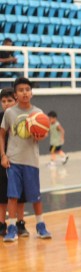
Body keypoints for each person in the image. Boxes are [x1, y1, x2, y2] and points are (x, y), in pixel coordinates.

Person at [0, 77, 53, 242]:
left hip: (31, 161)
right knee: (12, 196)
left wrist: (41, 135)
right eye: (21, 90)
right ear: (16, 94)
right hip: (13, 161)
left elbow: (43, 134)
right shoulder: (10, 113)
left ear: (32, 93)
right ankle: (11, 228)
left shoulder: (38, 113)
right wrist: (3, 155)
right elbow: (1, 134)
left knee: (35, 196)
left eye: (27, 90)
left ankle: (40, 225)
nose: (24, 92)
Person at [0, 87, 27, 237]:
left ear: (16, 100)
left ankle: (20, 223)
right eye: (3, 101)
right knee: (2, 195)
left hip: (20, 161)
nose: (6, 104)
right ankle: (2, 224)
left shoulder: (24, 118)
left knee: (19, 195)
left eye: (9, 100)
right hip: (2, 161)